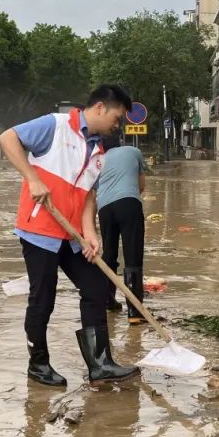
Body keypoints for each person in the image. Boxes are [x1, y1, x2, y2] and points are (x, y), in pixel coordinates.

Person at [0, 85, 140, 387]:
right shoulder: (55, 125)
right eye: (117, 117)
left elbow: (87, 196)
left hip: (71, 235)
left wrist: (90, 234)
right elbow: (7, 138)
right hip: (39, 231)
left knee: (96, 288)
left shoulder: (99, 152)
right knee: (43, 298)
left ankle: (100, 364)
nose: (119, 124)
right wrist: (32, 178)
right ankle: (38, 364)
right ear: (100, 108)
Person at [96, 135, 147, 324]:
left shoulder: (98, 160)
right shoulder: (134, 152)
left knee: (109, 254)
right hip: (129, 204)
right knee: (133, 256)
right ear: (120, 142)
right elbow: (141, 186)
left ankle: (108, 300)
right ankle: (134, 311)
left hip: (104, 208)